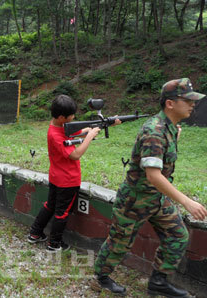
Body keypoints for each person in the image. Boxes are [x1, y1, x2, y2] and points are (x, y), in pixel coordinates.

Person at [93, 78, 207, 297]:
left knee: (178, 235)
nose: (193, 104)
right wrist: (187, 201)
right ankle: (101, 278)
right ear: (170, 104)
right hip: (135, 199)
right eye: (187, 100)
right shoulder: (154, 131)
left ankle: (158, 281)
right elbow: (153, 176)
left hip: (156, 198)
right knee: (120, 242)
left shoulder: (170, 127)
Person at [27, 94, 101, 252]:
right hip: (68, 180)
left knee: (50, 205)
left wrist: (92, 128)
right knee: (62, 212)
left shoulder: (56, 126)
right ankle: (54, 244)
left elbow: (70, 132)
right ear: (62, 117)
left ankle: (35, 233)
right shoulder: (56, 135)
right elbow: (75, 154)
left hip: (56, 176)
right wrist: (88, 137)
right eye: (71, 116)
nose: (73, 118)